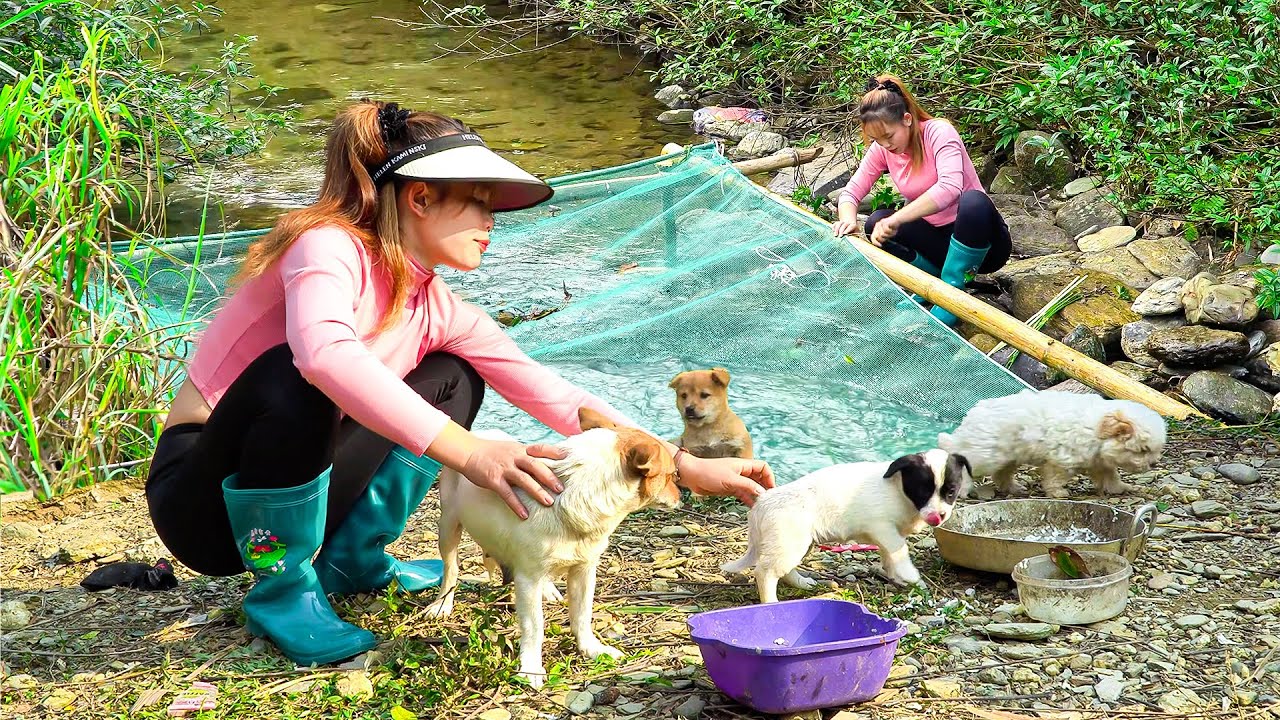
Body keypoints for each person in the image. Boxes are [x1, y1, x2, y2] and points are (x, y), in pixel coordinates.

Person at [145, 100, 775, 667]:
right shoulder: (325, 248)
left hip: (306, 481)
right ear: (419, 198)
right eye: (477, 200)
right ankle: (280, 588)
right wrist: (470, 453)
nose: (491, 219)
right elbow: (324, 358)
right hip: (203, 501)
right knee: (299, 375)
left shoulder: (435, 304)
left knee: (455, 375)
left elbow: (552, 395)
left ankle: (350, 559)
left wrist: (684, 466)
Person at [831, 75, 1011, 325]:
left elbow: (950, 188)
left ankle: (952, 292)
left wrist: (899, 217)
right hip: (938, 244)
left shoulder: (939, 132)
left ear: (906, 120)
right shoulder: (883, 149)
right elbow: (851, 192)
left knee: (973, 201)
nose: (885, 145)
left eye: (888, 136)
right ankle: (931, 283)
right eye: (877, 140)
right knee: (875, 222)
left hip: (983, 243)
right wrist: (847, 220)